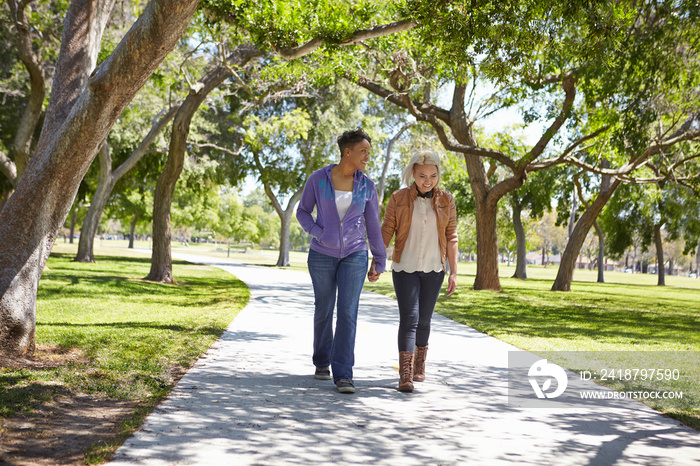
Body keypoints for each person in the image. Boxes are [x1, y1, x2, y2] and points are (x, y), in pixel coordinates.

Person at [297, 128, 386, 394]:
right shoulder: (319, 179)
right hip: (321, 254)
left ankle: (344, 374)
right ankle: (322, 361)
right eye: (363, 151)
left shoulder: (366, 186)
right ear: (348, 152)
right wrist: (319, 233)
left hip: (355, 254)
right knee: (324, 309)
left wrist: (379, 259)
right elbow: (303, 212)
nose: (367, 157)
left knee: (347, 313)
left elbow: (373, 225)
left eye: (369, 152)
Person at [369, 150, 458, 392]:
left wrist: (453, 272)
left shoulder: (446, 200)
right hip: (404, 267)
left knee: (425, 320)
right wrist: (377, 261)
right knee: (410, 319)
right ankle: (405, 374)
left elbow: (452, 237)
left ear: (438, 175)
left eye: (432, 175)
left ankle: (420, 365)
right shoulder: (398, 198)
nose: (427, 180)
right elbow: (387, 229)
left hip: (434, 268)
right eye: (422, 176)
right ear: (413, 174)